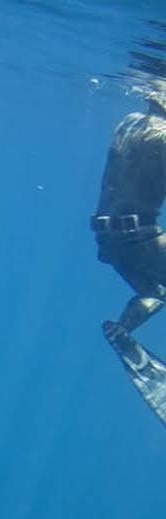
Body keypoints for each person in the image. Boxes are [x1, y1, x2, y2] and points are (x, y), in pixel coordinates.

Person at [93, 83, 166, 425]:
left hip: (106, 236)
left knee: (155, 292)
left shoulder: (127, 122)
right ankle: (124, 328)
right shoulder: (163, 136)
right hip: (140, 235)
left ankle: (124, 331)